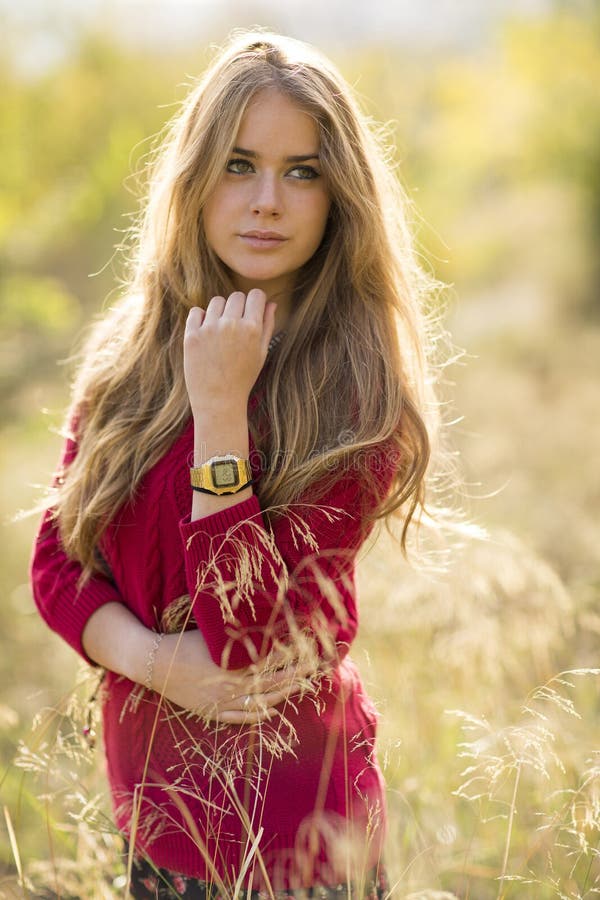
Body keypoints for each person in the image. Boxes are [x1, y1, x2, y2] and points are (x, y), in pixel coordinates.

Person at [30, 30, 441, 899]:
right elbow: (57, 567)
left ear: (340, 196)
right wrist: (152, 660)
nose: (266, 201)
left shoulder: (359, 393)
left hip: (297, 843)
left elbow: (248, 641)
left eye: (302, 171)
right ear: (194, 179)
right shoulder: (128, 353)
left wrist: (221, 414)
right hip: (153, 819)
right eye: (238, 164)